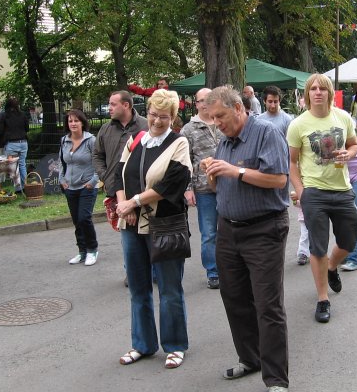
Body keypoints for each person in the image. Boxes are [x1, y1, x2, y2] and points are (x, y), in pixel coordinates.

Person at [203, 86, 290, 392]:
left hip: (264, 229)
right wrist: (214, 173)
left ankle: (276, 379)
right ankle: (250, 358)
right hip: (228, 229)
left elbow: (279, 179)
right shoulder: (224, 140)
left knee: (268, 305)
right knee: (235, 299)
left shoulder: (266, 133)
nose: (217, 123)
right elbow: (220, 186)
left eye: (221, 116)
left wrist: (235, 170)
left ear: (238, 108)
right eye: (212, 118)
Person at [113, 89, 192, 370]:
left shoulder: (178, 143)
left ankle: (175, 345)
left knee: (170, 288)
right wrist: (125, 206)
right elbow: (118, 175)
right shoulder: (136, 139)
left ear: (173, 117)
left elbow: (172, 183)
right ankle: (142, 345)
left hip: (164, 225)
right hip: (131, 224)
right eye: (153, 115)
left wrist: (134, 202)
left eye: (164, 117)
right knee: (138, 288)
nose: (157, 121)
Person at [287, 73, 357, 324]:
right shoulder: (298, 124)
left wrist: (349, 155)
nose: (317, 92)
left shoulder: (343, 117)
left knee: (349, 240)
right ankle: (322, 299)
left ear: (330, 93)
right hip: (314, 193)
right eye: (313, 89)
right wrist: (301, 190)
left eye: (322, 88)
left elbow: (353, 144)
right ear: (307, 95)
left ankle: (331, 267)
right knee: (317, 247)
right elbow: (293, 163)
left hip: (342, 190)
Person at [93, 90, 148, 285]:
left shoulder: (145, 125)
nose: (109, 108)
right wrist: (105, 177)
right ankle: (132, 272)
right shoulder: (106, 130)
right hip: (116, 191)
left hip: (144, 192)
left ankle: (153, 270)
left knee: (148, 230)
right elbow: (97, 155)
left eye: (113, 104)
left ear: (126, 105)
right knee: (127, 234)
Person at [181, 88, 222, 289]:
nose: (205, 103)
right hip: (204, 189)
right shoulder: (189, 129)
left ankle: (229, 267)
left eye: (209, 99)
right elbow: (183, 162)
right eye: (201, 100)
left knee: (229, 231)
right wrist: (188, 189)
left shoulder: (223, 122)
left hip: (229, 186)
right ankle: (213, 271)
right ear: (196, 104)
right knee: (209, 233)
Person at [59, 109, 100, 266]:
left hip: (87, 186)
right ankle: (82, 251)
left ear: (82, 123)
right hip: (70, 186)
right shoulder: (64, 140)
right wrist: (62, 179)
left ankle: (92, 250)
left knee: (84, 218)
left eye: (76, 121)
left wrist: (93, 181)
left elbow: (99, 162)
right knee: (77, 220)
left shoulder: (91, 141)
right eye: (70, 121)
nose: (73, 124)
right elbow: (61, 161)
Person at [0, 97, 29, 193]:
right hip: (23, 143)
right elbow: (27, 128)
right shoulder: (23, 115)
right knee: (22, 165)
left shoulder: (4, 116)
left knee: (13, 167)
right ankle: (26, 186)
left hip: (11, 144)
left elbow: (1, 130)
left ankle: (18, 188)